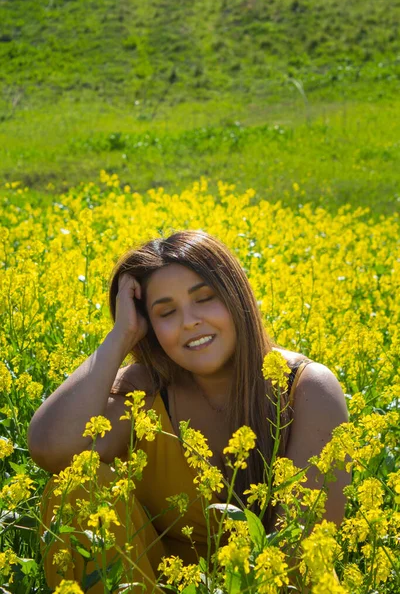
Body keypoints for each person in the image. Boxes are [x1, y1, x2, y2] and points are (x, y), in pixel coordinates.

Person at [28, 230, 350, 593]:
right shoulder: (145, 390)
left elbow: (301, 552)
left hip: (269, 585)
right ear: (148, 327)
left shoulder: (305, 389)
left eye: (205, 298)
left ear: (236, 296)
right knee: (77, 485)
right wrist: (120, 336)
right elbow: (49, 449)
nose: (189, 321)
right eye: (166, 312)